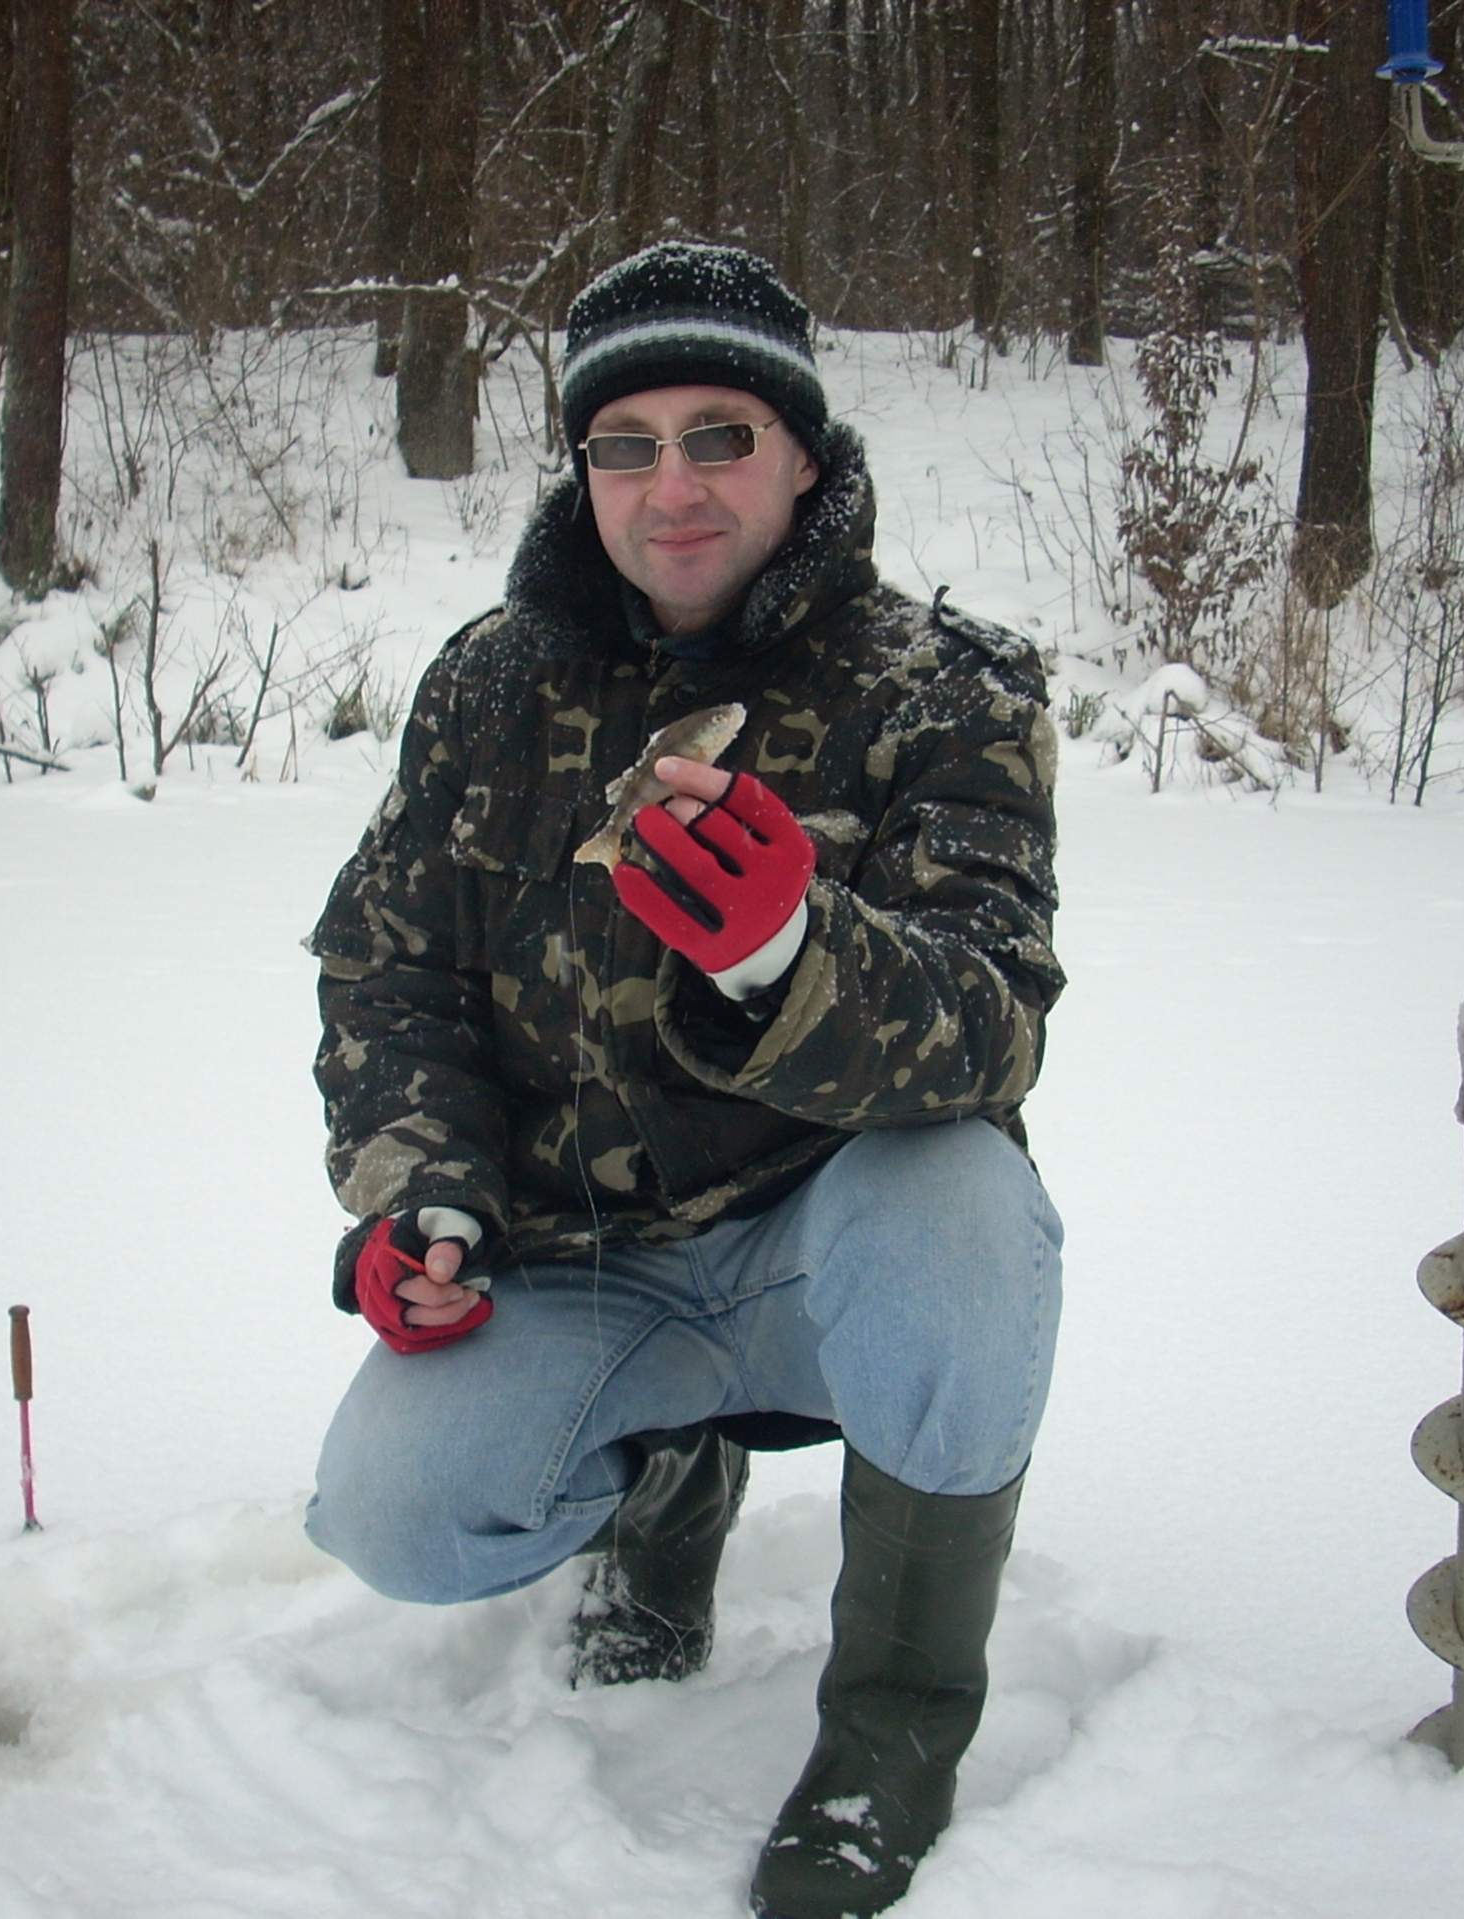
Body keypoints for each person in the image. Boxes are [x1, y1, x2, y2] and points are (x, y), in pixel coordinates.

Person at [304, 240, 1066, 1919]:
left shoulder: (947, 687)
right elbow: (388, 975)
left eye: (721, 435)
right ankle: (666, 1486)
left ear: (802, 453)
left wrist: (795, 958)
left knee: (968, 1210)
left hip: (827, 1253)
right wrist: (424, 1201)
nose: (675, 488)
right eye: (628, 445)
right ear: (582, 471)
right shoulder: (488, 686)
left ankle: (891, 1738)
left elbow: (995, 1016)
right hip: (590, 1258)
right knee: (393, 1515)